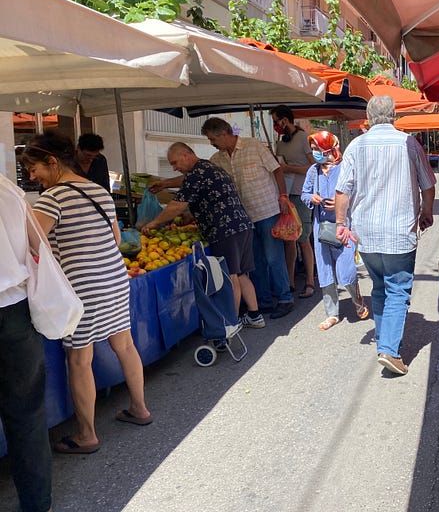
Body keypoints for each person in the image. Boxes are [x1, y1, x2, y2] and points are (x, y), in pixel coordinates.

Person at [24, 131, 151, 455]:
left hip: (83, 288)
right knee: (124, 344)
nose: (31, 175)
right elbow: (115, 235)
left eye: (34, 167)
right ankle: (140, 408)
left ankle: (86, 435)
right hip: (113, 278)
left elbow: (30, 243)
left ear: (52, 162)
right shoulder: (98, 190)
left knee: (79, 359)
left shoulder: (52, 198)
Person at [335, 95, 436, 376]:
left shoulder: (356, 145)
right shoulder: (409, 143)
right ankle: (390, 351)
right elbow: (428, 185)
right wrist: (427, 212)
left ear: (368, 118)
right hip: (399, 232)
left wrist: (340, 223)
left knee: (379, 288)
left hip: (365, 234)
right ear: (394, 116)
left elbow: (343, 190)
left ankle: (384, 341)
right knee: (397, 290)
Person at [142, 143, 262, 326]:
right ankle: (254, 316)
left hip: (225, 229)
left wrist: (155, 222)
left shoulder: (196, 174)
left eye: (175, 163)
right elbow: (189, 184)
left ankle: (232, 321)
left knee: (231, 276)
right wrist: (165, 184)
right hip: (241, 225)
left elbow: (177, 205)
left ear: (186, 155)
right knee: (242, 273)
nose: (174, 167)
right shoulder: (207, 167)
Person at [199, 117, 293, 321]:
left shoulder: (253, 146)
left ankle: (285, 298)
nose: (211, 143)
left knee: (273, 257)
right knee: (255, 261)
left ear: (224, 134)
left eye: (212, 139)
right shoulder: (217, 159)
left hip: (267, 210)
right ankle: (264, 301)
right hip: (243, 218)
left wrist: (283, 196)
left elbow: (276, 170)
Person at [0, 174, 52, 512]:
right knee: (27, 413)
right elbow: (40, 245)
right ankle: (37, 503)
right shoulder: (7, 188)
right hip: (14, 312)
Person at [300, 131, 368, 331]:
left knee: (346, 270)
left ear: (328, 147)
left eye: (317, 148)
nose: (314, 153)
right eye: (313, 149)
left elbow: (356, 192)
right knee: (325, 271)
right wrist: (311, 199)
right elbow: (305, 193)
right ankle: (332, 314)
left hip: (343, 226)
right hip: (321, 228)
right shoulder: (313, 171)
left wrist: (338, 206)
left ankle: (358, 302)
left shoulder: (345, 167)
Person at [271, 105, 316, 299]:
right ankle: (289, 281)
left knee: (303, 239)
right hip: (286, 194)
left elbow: (312, 166)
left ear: (285, 120)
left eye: (276, 121)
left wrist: (288, 168)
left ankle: (310, 282)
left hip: (301, 192)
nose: (275, 125)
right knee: (289, 239)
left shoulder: (303, 138)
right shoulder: (280, 143)